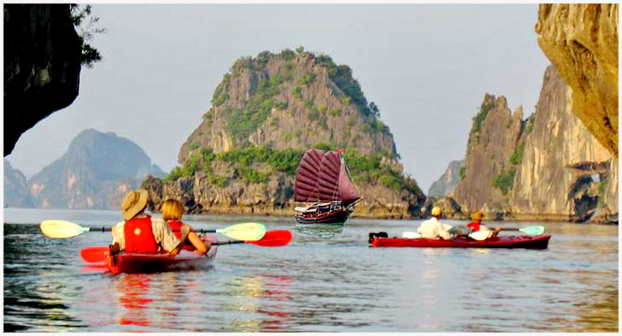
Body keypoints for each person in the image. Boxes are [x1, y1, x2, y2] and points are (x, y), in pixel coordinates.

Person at [111, 189, 184, 255]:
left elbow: (115, 253)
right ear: (144, 206)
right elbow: (174, 251)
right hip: (155, 264)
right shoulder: (158, 223)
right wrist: (184, 234)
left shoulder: (120, 227)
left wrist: (114, 235)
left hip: (130, 265)